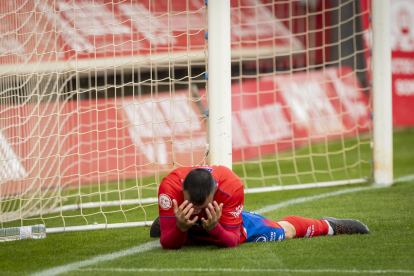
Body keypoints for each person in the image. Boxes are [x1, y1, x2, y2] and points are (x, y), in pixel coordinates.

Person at [150, 165, 370, 250]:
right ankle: (171, 224)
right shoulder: (169, 187)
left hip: (223, 227)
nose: (197, 212)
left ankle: (328, 225)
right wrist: (178, 227)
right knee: (171, 230)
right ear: (181, 190)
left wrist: (213, 228)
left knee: (287, 232)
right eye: (191, 205)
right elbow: (168, 245)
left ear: (215, 190)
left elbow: (231, 242)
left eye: (202, 207)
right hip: (187, 230)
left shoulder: (230, 186)